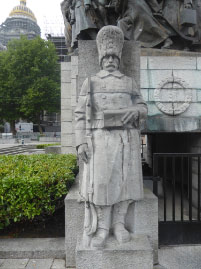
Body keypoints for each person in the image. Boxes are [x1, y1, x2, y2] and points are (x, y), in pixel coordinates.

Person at [75, 26, 148, 248]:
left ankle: (119, 225)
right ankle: (103, 228)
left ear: (118, 59)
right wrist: (80, 143)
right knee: (103, 184)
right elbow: (79, 114)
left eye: (113, 57)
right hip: (100, 140)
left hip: (127, 139)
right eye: (106, 56)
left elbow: (143, 106)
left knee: (126, 183)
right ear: (100, 58)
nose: (109, 61)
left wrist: (135, 111)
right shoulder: (91, 82)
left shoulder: (129, 82)